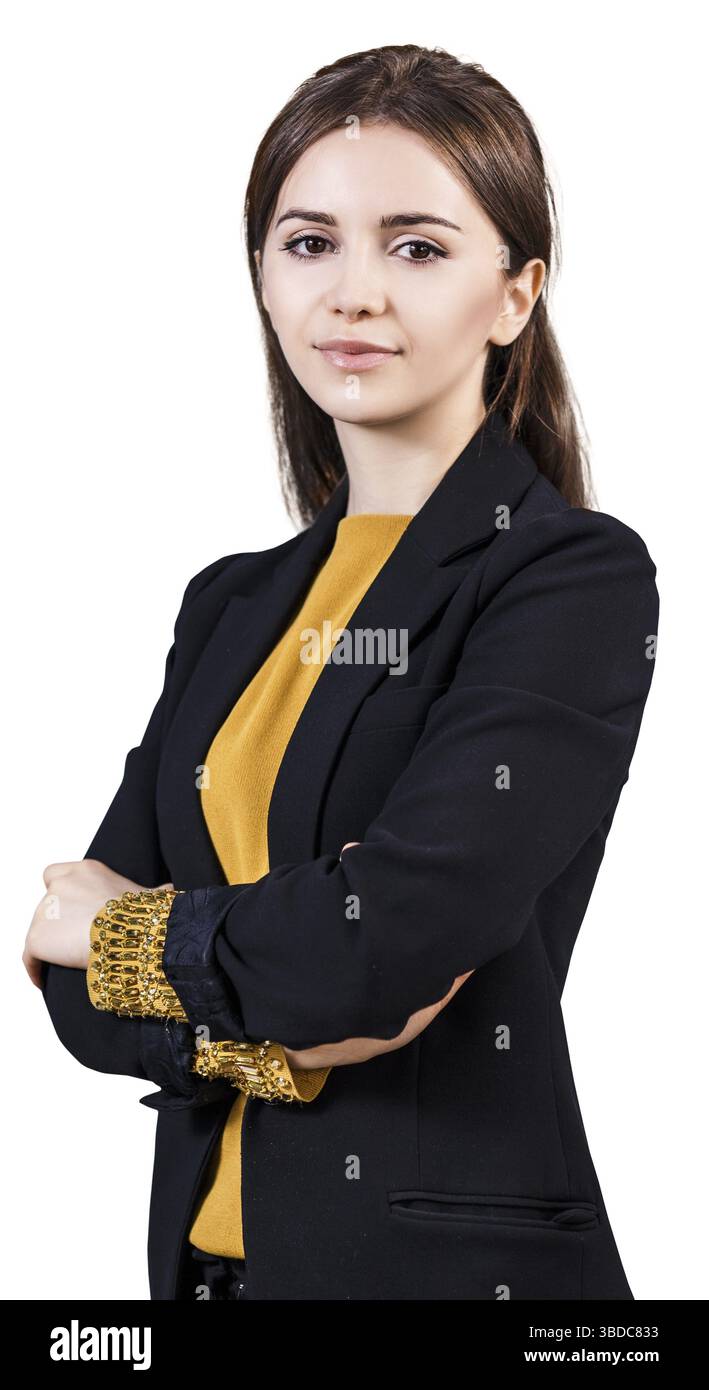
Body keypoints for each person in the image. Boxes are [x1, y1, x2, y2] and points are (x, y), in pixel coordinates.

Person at [26, 44, 659, 1301]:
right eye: (308, 241)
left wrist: (127, 932)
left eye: (416, 247)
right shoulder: (232, 603)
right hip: (201, 1282)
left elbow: (383, 948)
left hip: (443, 1280)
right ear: (260, 273)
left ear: (517, 292)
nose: (352, 293)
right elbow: (71, 997)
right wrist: (292, 1024)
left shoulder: (567, 579)